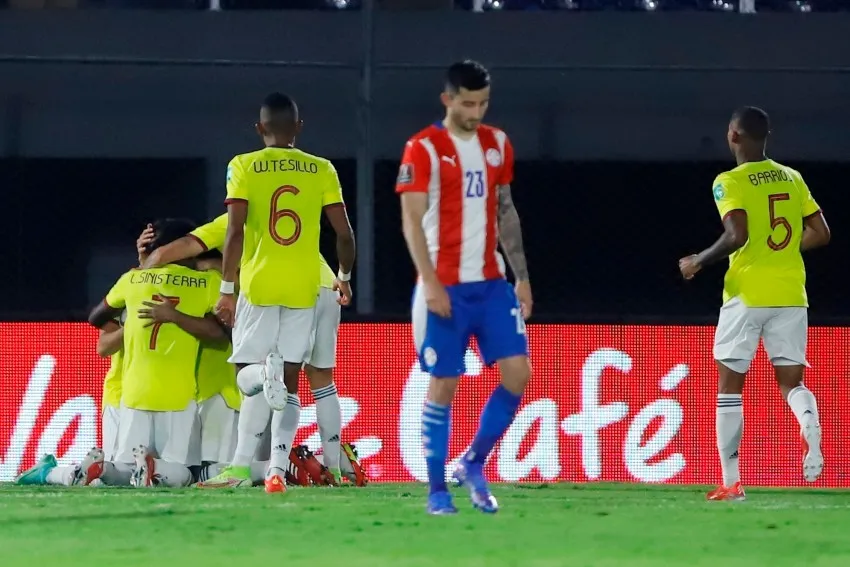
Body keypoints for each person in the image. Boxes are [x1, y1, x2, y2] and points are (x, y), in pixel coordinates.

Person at [395, 60, 532, 515]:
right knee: (444, 384)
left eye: (483, 104)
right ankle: (437, 491)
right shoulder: (423, 148)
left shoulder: (497, 144)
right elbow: (411, 222)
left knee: (518, 374)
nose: (476, 113)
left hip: (491, 284)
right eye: (468, 104)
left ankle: (472, 462)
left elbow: (506, 211)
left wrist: (522, 277)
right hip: (445, 287)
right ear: (447, 100)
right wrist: (430, 282)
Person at [678, 106, 831, 501]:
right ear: (766, 136)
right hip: (791, 294)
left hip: (746, 294)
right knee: (792, 383)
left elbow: (737, 235)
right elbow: (821, 232)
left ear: (733, 135)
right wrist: (781, 254)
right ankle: (809, 424)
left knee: (729, 388)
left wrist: (698, 260)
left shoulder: (728, 181)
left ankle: (732, 482)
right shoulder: (792, 177)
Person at [208, 92, 355, 492]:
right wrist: (343, 276)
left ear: (260, 128)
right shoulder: (322, 168)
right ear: (299, 128)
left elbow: (234, 232)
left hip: (260, 283)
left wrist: (227, 288)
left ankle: (241, 467)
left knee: (247, 376)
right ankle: (275, 470)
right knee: (290, 383)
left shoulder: (243, 165)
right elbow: (344, 234)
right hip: (305, 287)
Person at [142, 214, 350, 481]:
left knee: (255, 374)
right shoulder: (289, 212)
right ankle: (333, 468)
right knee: (321, 380)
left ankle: (244, 467)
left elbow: (173, 251)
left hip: (280, 293)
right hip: (326, 284)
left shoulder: (236, 217)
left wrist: (141, 272)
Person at [81, 218, 229, 488]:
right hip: (178, 395)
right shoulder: (206, 283)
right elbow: (221, 332)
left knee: (125, 471)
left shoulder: (132, 279)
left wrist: (141, 276)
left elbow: (95, 318)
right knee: (184, 474)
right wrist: (177, 315)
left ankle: (100, 469)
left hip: (133, 393)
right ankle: (153, 467)